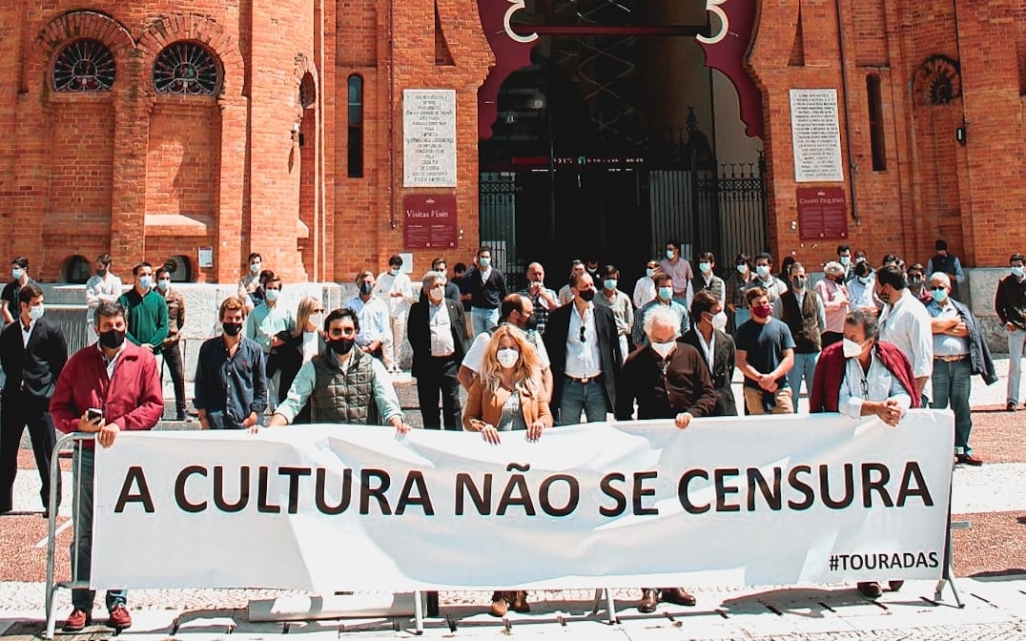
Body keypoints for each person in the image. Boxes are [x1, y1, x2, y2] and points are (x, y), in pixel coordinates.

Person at [50, 301, 163, 632]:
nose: (114, 331)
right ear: (96, 328)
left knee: (120, 527)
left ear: (125, 325)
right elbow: (58, 406)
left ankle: (118, 600)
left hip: (125, 455)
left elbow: (154, 405)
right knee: (85, 530)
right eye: (107, 326)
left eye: (118, 325)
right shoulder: (79, 361)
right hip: (88, 453)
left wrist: (122, 424)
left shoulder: (143, 360)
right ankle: (81, 602)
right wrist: (78, 425)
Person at [808, 309, 920, 600]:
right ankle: (866, 573)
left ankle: (894, 562)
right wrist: (875, 409)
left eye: (853, 337)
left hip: (888, 445)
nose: (847, 341)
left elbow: (904, 390)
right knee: (858, 508)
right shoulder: (833, 358)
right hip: (851, 448)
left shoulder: (891, 356)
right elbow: (839, 400)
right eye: (845, 335)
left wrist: (895, 407)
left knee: (892, 505)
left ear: (870, 340)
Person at [615, 305, 716, 613]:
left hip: (684, 448)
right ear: (648, 335)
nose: (664, 344)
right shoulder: (635, 362)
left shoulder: (691, 355)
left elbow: (709, 394)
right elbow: (623, 409)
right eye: (658, 339)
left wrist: (692, 413)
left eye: (669, 338)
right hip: (650, 451)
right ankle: (649, 585)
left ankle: (674, 581)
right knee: (649, 518)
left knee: (677, 517)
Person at [462, 324, 553, 617]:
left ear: (522, 351)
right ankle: (501, 591)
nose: (507, 353)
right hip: (496, 466)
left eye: (513, 348)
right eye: (502, 348)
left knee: (526, 528)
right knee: (499, 529)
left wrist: (540, 424)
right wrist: (482, 427)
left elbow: (546, 415)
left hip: (526, 465)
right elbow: (468, 418)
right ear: (494, 351)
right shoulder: (484, 381)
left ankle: (522, 589)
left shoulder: (532, 379)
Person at [269, 308, 411, 434]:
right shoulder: (313, 367)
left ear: (356, 332)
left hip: (365, 445)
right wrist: (271, 429)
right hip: (326, 447)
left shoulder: (373, 365)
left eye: (348, 330)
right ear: (327, 335)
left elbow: (388, 404)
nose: (343, 336)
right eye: (336, 331)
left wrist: (398, 424)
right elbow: (292, 403)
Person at [0, 284, 67, 516]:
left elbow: (60, 364)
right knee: (6, 451)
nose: (40, 307)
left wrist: (51, 390)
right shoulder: (8, 332)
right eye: (35, 304)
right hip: (14, 400)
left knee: (46, 452)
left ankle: (51, 501)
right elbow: (7, 362)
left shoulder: (51, 331)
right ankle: (3, 500)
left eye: (41, 303)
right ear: (23, 306)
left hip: (41, 400)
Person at [926, 272, 996, 465]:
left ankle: (963, 448)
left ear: (949, 289)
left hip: (960, 364)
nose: (937, 291)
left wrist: (940, 327)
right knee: (938, 408)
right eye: (933, 288)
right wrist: (951, 324)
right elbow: (927, 327)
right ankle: (940, 450)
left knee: (962, 407)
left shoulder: (960, 308)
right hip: (937, 365)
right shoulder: (925, 309)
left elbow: (968, 329)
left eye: (940, 288)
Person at [543, 271, 621, 425]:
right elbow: (550, 352)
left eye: (592, 285)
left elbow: (614, 350)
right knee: (569, 432)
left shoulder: (605, 314)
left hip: (596, 386)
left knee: (597, 432)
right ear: (574, 290)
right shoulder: (559, 316)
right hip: (569, 387)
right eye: (585, 286)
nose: (590, 289)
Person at [458, 294, 553, 402]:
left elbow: (546, 371)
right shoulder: (487, 339)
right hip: (496, 407)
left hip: (528, 405)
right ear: (515, 314)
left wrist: (545, 401)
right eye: (528, 313)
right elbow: (464, 374)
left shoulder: (534, 338)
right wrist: (481, 402)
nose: (532, 316)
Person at [195, 297, 268, 431]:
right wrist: (203, 418)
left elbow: (261, 388)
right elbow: (201, 384)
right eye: (229, 318)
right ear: (221, 319)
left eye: (237, 318)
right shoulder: (208, 349)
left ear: (243, 319)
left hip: (244, 422)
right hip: (215, 422)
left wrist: (253, 416)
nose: (233, 322)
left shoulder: (254, 350)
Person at [408, 271, 468, 430]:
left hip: (449, 363)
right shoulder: (417, 309)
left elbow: (461, 333)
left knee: (453, 405)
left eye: (442, 285)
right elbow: (413, 335)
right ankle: (432, 438)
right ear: (427, 289)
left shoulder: (455, 306)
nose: (440, 288)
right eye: (436, 286)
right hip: (427, 365)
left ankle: (454, 436)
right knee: (429, 407)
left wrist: (461, 361)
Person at [876, 265, 934, 405]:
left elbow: (923, 358)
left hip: (911, 390)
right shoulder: (888, 308)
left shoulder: (913, 311)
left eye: (877, 286)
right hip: (890, 387)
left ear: (887, 287)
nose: (876, 291)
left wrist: (915, 398)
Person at [735, 288, 795, 414]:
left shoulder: (782, 327)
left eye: (765, 302)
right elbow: (741, 361)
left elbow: (789, 358)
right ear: (750, 307)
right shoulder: (743, 330)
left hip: (779, 387)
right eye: (758, 304)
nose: (763, 306)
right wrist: (760, 378)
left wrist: (772, 377)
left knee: (787, 422)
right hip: (754, 389)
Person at [773, 262, 826, 400]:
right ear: (790, 278)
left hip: (813, 350)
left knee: (815, 393)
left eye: (801, 276)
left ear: (806, 277)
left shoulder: (815, 297)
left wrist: (813, 336)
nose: (799, 279)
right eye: (795, 276)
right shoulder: (781, 300)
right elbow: (776, 324)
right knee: (792, 393)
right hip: (793, 352)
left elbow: (822, 323)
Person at [681, 291, 738, 416]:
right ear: (704, 315)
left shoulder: (727, 340)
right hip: (697, 407)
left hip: (724, 406)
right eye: (717, 312)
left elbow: (730, 369)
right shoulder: (684, 343)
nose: (722, 315)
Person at [272, 296, 325, 424]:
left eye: (321, 311)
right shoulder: (289, 339)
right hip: (295, 394)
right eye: (315, 311)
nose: (319, 314)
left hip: (319, 397)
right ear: (305, 313)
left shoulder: (325, 339)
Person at [245, 273, 294, 409]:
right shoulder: (255, 313)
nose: (272, 291)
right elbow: (249, 338)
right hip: (262, 355)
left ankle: (277, 412)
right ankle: (258, 413)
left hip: (280, 355)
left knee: (279, 389)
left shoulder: (286, 312)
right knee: (260, 388)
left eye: (275, 288)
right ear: (264, 289)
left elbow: (294, 332)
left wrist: (282, 339)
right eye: (269, 288)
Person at [155, 266, 187, 420]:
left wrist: (173, 333)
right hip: (156, 342)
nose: (165, 281)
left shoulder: (177, 298)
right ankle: (157, 411)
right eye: (162, 278)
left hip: (172, 342)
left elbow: (181, 320)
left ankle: (182, 410)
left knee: (178, 375)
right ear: (156, 280)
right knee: (156, 378)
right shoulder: (151, 297)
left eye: (167, 278)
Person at [995, 253, 1026, 411]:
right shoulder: (1005, 282)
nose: (1016, 268)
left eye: (1019, 265)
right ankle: (1012, 399)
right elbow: (999, 305)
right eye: (1013, 266)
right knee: (1015, 364)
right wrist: (1006, 321)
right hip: (1015, 326)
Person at [117, 262, 168, 358]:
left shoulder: (159, 300)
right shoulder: (123, 300)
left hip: (153, 353)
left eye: (149, 274)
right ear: (135, 277)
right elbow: (120, 327)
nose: (147, 277)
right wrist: (138, 345)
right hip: (130, 353)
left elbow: (164, 327)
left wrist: (150, 345)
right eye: (143, 274)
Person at [374, 254, 415, 373]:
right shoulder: (382, 278)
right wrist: (388, 295)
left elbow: (410, 296)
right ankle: (389, 364)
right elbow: (375, 293)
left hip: (399, 311)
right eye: (394, 268)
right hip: (386, 310)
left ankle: (397, 364)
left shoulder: (404, 278)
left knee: (399, 339)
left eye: (398, 268)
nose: (395, 270)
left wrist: (402, 294)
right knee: (387, 339)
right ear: (389, 266)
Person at [633, 273, 690, 349]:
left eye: (669, 286)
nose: (667, 289)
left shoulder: (681, 309)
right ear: (656, 289)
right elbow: (637, 338)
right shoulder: (643, 310)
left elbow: (686, 332)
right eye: (663, 287)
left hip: (675, 350)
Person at [346, 271, 389, 360]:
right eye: (362, 282)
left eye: (369, 282)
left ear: (374, 284)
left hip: (375, 351)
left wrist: (371, 347)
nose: (366, 285)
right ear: (358, 285)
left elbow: (385, 331)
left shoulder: (381, 305)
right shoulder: (350, 305)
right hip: (354, 350)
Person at [594, 264, 634, 361]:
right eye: (608, 278)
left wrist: (626, 328)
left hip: (620, 337)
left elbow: (629, 319)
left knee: (623, 363)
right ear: (602, 279)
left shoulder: (624, 298)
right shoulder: (595, 298)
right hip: (602, 338)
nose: (611, 281)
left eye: (613, 278)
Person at [467, 247, 508, 336]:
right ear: (478, 258)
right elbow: (464, 278)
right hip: (477, 310)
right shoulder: (473, 273)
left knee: (492, 337)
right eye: (482, 257)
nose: (484, 259)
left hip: (492, 311)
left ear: (490, 258)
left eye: (487, 257)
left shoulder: (497, 274)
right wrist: (473, 265)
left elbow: (503, 292)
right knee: (478, 338)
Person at [85, 254, 123, 336]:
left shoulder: (115, 281)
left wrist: (99, 296)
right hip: (94, 319)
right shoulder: (91, 281)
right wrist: (106, 301)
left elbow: (116, 298)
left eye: (100, 266)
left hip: (111, 319)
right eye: (97, 266)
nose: (98, 268)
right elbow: (89, 299)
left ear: (107, 266)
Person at [815, 261, 849, 347]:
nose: (841, 277)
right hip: (830, 329)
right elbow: (823, 305)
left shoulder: (836, 284)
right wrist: (839, 304)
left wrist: (845, 293)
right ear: (831, 275)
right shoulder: (822, 285)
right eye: (839, 275)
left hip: (841, 328)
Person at [519, 262, 559, 335]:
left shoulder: (551, 293)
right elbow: (520, 312)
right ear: (528, 275)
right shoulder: (522, 294)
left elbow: (558, 312)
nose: (537, 277)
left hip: (547, 332)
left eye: (540, 274)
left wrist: (546, 296)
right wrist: (531, 296)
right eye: (534, 274)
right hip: (529, 333)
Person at [724, 253, 754, 332]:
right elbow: (729, 300)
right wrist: (738, 311)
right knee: (743, 334)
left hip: (754, 311)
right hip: (741, 311)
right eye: (738, 264)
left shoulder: (755, 278)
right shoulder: (733, 279)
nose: (740, 266)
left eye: (742, 263)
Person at [659, 240, 694, 306]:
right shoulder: (663, 264)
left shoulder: (685, 263)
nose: (668, 251)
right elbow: (659, 280)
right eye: (667, 249)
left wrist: (688, 293)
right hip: (668, 296)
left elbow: (690, 279)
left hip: (682, 296)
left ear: (676, 250)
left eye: (670, 249)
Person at [2, 257, 35, 325]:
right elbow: (4, 308)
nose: (14, 271)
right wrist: (14, 325)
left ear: (25, 269)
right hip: (12, 325)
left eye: (16, 268)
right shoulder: (9, 288)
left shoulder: (34, 287)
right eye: (12, 269)